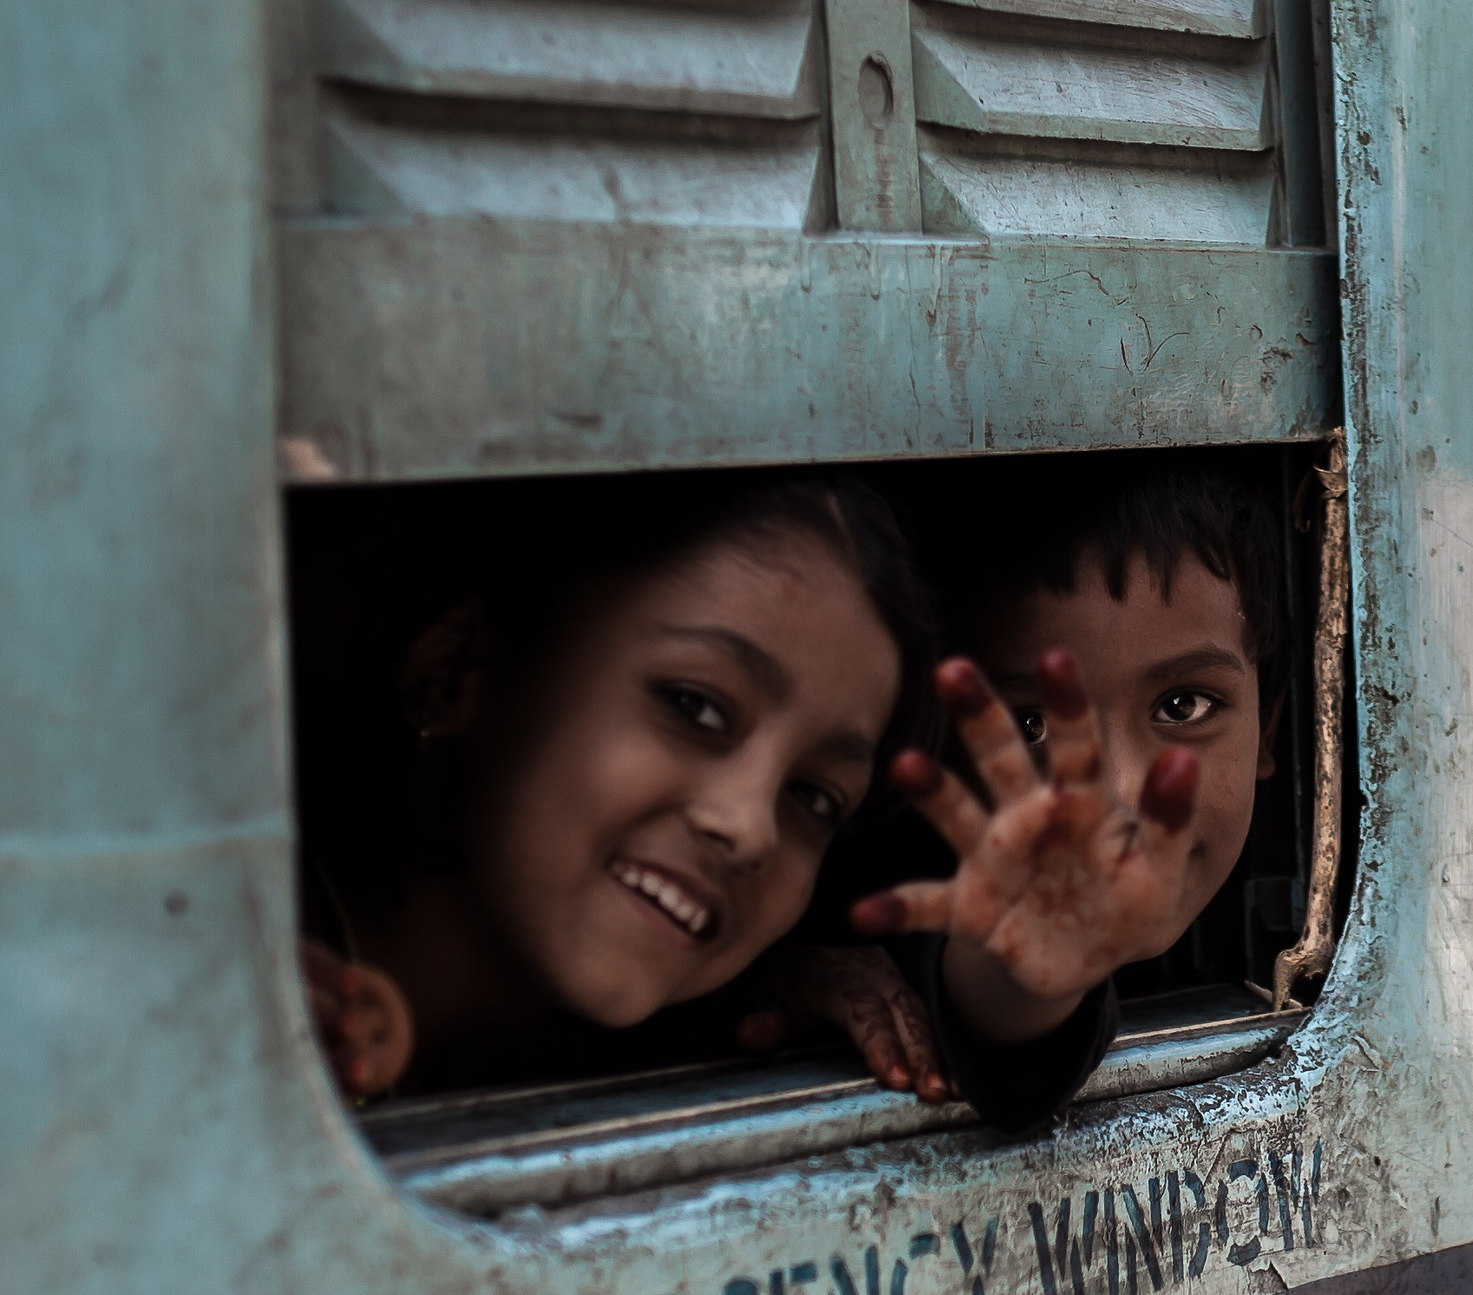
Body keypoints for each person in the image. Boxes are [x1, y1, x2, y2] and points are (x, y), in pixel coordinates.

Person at [292, 469, 1198, 1102]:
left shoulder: (710, 1028)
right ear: (456, 675)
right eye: (693, 705)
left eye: (816, 797)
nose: (749, 827)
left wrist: (1023, 963)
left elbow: (991, 1036)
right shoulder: (218, 963)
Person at [756, 456, 1288, 1130]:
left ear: (1270, 727)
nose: (1117, 797)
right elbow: (998, 1006)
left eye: (1183, 706)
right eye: (1030, 725)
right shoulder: (885, 910)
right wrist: (1030, 971)